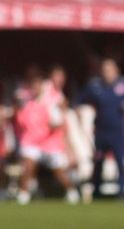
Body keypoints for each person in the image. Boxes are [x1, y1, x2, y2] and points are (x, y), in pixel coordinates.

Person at [75, 56, 124, 199]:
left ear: (117, 71)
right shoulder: (95, 86)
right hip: (101, 130)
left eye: (110, 70)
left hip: (117, 130)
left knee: (120, 162)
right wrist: (78, 108)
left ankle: (122, 193)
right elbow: (78, 99)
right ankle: (96, 192)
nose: (107, 73)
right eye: (104, 70)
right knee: (98, 162)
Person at [13, 66, 77, 203]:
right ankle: (24, 194)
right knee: (28, 166)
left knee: (58, 171)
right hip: (31, 141)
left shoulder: (53, 100)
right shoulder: (25, 100)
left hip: (50, 142)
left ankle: (72, 191)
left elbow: (59, 120)